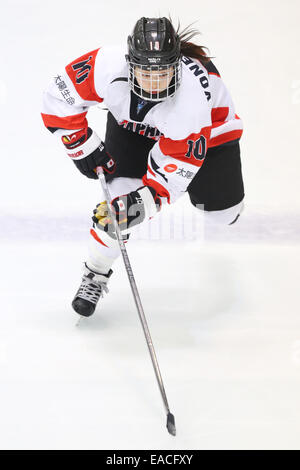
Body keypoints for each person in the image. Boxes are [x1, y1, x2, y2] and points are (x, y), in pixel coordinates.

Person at [41, 17, 245, 317]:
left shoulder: (191, 104)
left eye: (162, 72)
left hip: (208, 134)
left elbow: (171, 176)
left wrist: (143, 202)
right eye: (145, 72)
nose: (153, 82)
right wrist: (81, 145)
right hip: (134, 127)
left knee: (222, 213)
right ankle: (95, 274)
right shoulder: (106, 64)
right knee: (114, 209)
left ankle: (227, 206)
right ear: (129, 63)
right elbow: (59, 97)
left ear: (175, 66)